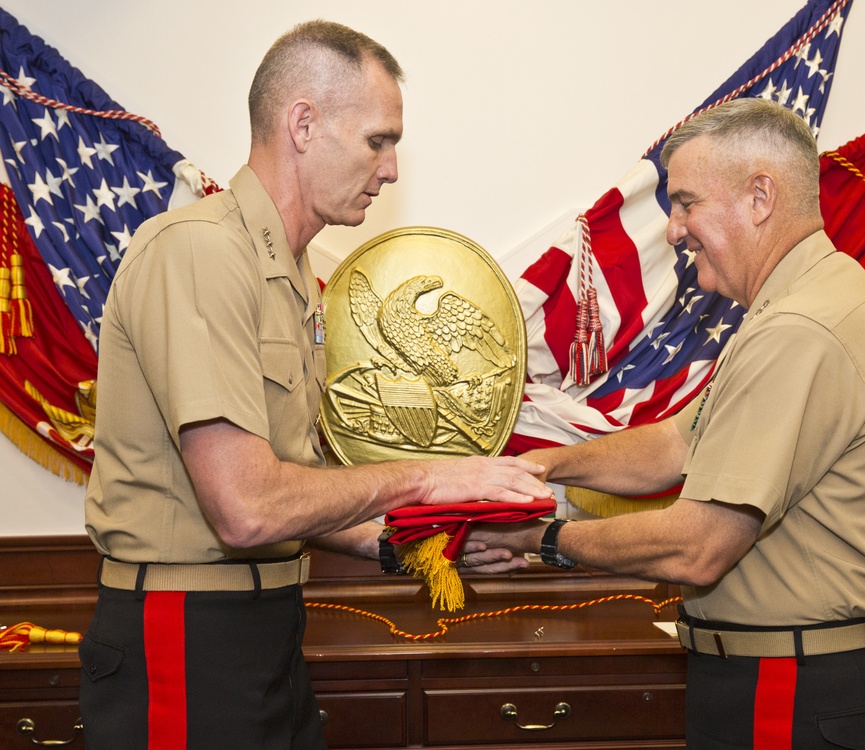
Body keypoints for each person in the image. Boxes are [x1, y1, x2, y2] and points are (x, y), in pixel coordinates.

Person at [80, 20, 550, 750]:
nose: (391, 168)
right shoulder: (204, 252)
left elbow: (292, 487)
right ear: (304, 124)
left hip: (262, 631)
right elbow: (245, 509)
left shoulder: (292, 274)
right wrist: (427, 480)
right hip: (186, 638)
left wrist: (408, 545)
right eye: (378, 140)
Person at [473, 97, 865, 749]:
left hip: (795, 689)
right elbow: (676, 443)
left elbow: (700, 544)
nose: (674, 231)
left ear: (759, 197)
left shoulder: (799, 329)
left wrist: (539, 539)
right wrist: (544, 464)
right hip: (791, 677)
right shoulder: (802, 300)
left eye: (686, 202)